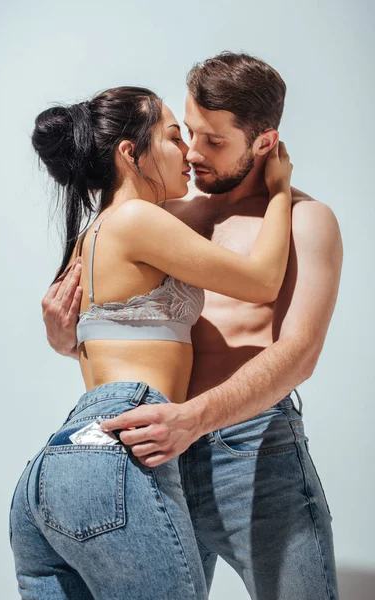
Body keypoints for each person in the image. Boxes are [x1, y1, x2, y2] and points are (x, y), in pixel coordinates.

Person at [44, 52, 343, 600]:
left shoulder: (306, 219)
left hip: (252, 451)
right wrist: (66, 338)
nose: (194, 154)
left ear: (264, 142)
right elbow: (123, 330)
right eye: (188, 134)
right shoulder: (165, 216)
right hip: (154, 447)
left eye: (216, 142)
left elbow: (300, 351)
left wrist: (196, 417)